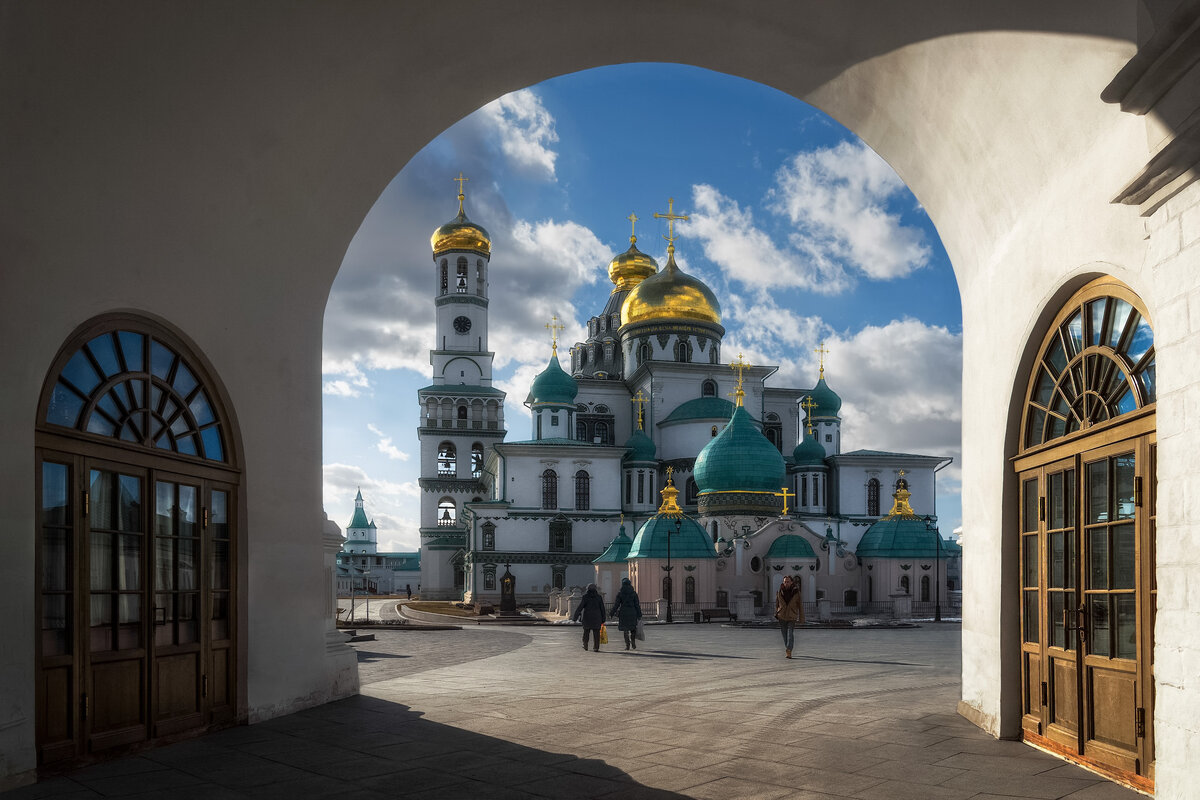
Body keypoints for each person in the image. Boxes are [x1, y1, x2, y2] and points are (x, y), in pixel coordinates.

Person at [609, 577, 642, 651]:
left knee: (625, 630)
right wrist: (639, 614)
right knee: (633, 628)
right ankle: (633, 641)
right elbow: (637, 605)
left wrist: (612, 613)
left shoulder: (620, 594)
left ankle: (627, 645)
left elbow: (616, 605)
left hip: (623, 613)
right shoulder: (634, 594)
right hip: (632, 612)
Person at [775, 575, 804, 658]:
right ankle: (788, 648)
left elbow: (800, 605)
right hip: (782, 615)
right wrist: (776, 613)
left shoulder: (796, 592)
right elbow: (777, 603)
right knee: (784, 634)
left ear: (791, 582)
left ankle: (789, 650)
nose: (786, 583)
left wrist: (801, 618)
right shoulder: (780, 591)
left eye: (788, 581)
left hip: (792, 615)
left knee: (790, 633)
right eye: (785, 581)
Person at [572, 583, 606, 652]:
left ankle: (585, 645)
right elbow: (602, 608)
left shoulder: (585, 597)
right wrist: (603, 618)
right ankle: (596, 647)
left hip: (587, 617)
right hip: (597, 617)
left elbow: (580, 607)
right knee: (596, 633)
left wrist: (575, 617)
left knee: (586, 632)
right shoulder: (599, 597)